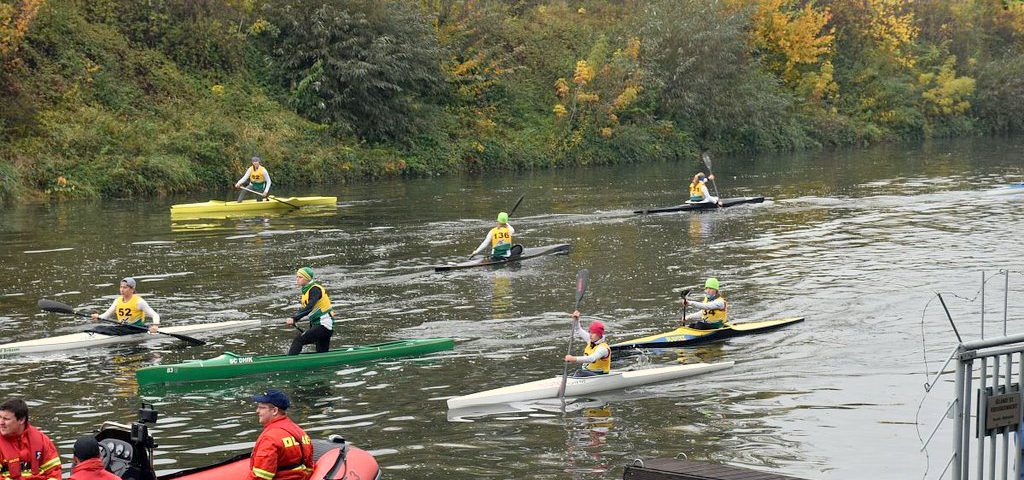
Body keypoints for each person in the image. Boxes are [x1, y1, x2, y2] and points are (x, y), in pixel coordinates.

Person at [249, 389, 314, 480]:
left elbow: (260, 477)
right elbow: (309, 467)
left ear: (275, 411)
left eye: (261, 407)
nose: (257, 411)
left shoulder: (270, 438)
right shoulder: (300, 432)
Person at [0, 398, 62, 480]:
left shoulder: (41, 440)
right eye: (0, 417)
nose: (1, 422)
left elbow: (54, 471)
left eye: (6, 419)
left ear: (22, 420)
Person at [286, 267, 334, 355]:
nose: (297, 279)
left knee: (298, 340)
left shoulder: (315, 289)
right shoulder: (307, 290)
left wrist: (294, 318)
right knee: (322, 354)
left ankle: (288, 363)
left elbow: (309, 308)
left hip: (324, 325)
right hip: (321, 325)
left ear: (307, 278)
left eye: (300, 277)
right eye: (297, 277)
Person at [91, 277, 159, 335]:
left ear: (132, 289)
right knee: (98, 328)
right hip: (123, 328)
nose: (122, 290)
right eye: (121, 287)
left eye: (125, 287)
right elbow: (105, 316)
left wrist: (155, 326)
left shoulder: (139, 302)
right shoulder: (117, 301)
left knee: (98, 328)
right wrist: (98, 317)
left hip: (136, 329)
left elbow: (155, 315)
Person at [563, 310, 611, 377]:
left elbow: (592, 358)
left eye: (593, 333)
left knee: (579, 372)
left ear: (599, 335)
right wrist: (577, 320)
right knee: (571, 374)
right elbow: (578, 329)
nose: (590, 335)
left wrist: (574, 359)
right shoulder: (590, 339)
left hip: (600, 375)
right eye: (590, 332)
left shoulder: (603, 348)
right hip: (587, 373)